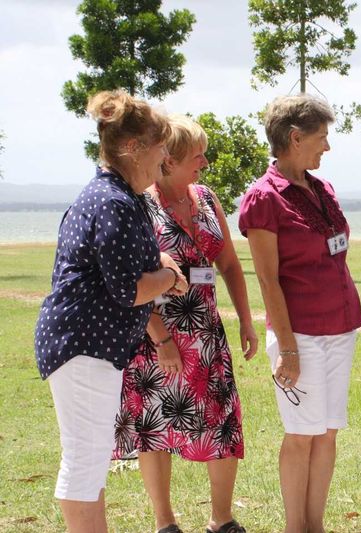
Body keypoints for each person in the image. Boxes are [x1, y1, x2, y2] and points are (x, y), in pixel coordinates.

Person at [33, 90, 188, 533]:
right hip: (82, 345)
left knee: (91, 457)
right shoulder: (115, 202)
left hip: (89, 345)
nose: (165, 157)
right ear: (133, 148)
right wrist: (171, 278)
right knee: (84, 459)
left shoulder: (122, 197)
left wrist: (160, 270)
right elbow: (129, 289)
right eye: (160, 147)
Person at [112, 115, 258, 533]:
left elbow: (228, 263)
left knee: (223, 419)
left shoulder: (207, 198)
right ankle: (165, 523)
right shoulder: (140, 205)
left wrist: (246, 320)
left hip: (207, 332)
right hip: (156, 334)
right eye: (198, 155)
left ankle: (222, 520)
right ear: (169, 160)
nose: (206, 163)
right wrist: (161, 340)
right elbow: (132, 281)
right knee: (152, 427)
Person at [238, 94, 361, 533]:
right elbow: (268, 281)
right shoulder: (262, 199)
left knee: (327, 432)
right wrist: (287, 349)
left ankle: (316, 525)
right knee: (301, 435)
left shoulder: (322, 189)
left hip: (340, 326)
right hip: (300, 335)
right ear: (295, 138)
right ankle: (296, 528)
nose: (326, 147)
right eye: (322, 137)